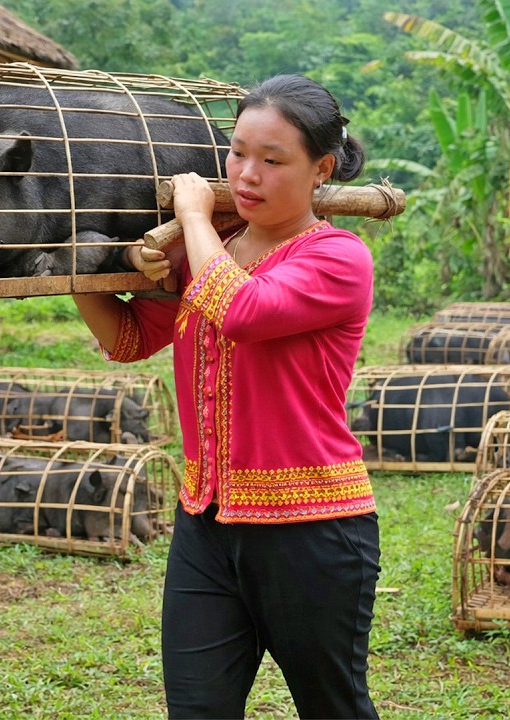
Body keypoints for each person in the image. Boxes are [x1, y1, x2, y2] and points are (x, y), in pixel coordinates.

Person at [72, 74, 379, 719]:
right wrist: (79, 272)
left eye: (273, 161)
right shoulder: (205, 253)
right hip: (206, 525)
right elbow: (130, 338)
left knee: (334, 709)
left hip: (313, 530)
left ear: (322, 169)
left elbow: (240, 308)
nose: (247, 174)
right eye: (237, 152)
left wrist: (189, 216)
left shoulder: (338, 259)